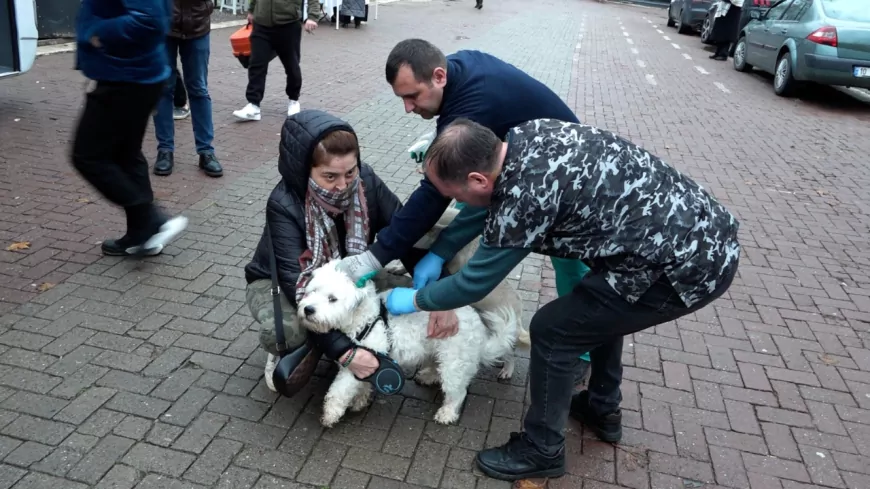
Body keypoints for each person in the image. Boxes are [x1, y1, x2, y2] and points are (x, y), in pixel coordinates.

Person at [385, 118, 741, 481]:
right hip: (696, 232)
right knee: (597, 308)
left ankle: (542, 449)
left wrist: (415, 299)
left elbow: (474, 283)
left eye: (456, 196)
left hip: (686, 267)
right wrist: (442, 250)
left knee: (554, 331)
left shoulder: (527, 195)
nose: (458, 203)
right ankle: (602, 408)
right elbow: (484, 206)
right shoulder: (527, 137)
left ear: (478, 179)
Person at [335, 38, 593, 378]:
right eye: (402, 98)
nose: (408, 108)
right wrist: (441, 251)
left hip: (568, 184)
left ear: (439, 76)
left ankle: (583, 355)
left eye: (412, 96)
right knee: (466, 203)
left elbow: (436, 196)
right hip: (521, 169)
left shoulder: (478, 113)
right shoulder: (458, 72)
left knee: (573, 270)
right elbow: (469, 192)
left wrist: (378, 259)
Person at [243, 109, 457, 391]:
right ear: (304, 169)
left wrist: (441, 297)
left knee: (412, 300)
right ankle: (290, 348)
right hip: (283, 284)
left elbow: (405, 234)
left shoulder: (366, 182)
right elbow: (296, 282)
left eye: (350, 172)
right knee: (289, 328)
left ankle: (334, 331)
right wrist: (346, 352)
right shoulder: (283, 204)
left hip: (350, 275)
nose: (343, 185)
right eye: (330, 176)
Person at [72, 0, 188, 257]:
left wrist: (96, 32)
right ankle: (141, 233)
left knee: (88, 156)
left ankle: (152, 221)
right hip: (132, 74)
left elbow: (149, 21)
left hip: (126, 77)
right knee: (126, 154)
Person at [152, 0, 223, 178]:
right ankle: (165, 150)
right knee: (163, 90)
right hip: (164, 25)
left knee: (199, 89)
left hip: (198, 24)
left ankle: (206, 151)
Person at [233, 0, 320, 121]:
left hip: (288, 25)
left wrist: (313, 16)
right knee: (256, 64)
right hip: (261, 24)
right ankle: (253, 105)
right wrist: (252, 10)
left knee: (292, 66)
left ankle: (293, 100)